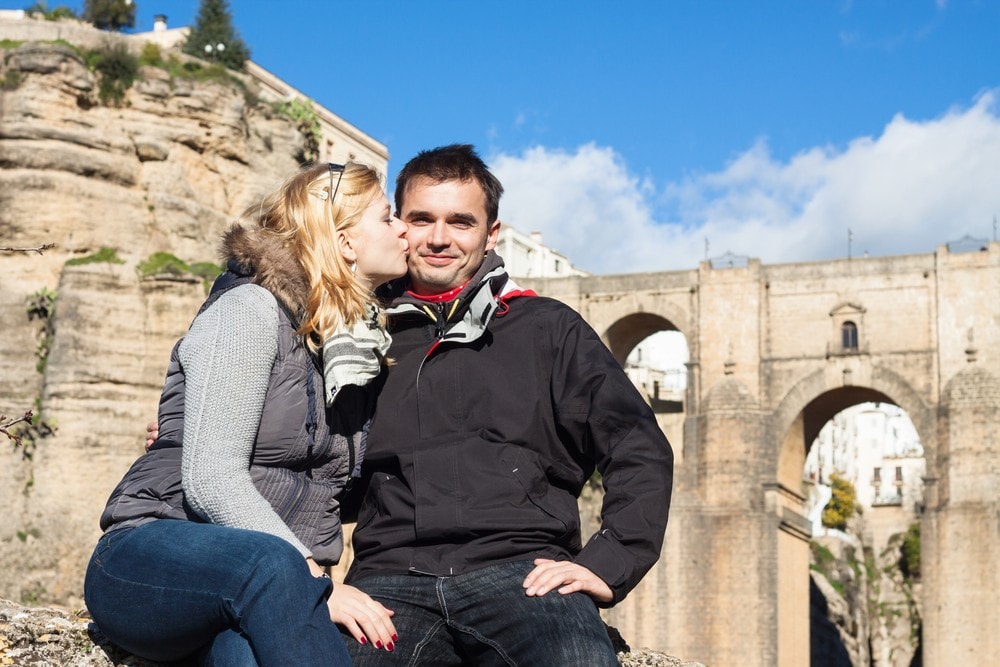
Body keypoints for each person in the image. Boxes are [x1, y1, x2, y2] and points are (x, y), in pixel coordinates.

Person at [343, 144, 674, 665]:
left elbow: (638, 445)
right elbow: (314, 460)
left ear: (491, 234)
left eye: (460, 221)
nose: (438, 238)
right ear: (399, 226)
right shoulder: (357, 335)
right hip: (389, 579)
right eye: (421, 219)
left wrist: (610, 562)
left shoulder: (547, 327)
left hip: (522, 573)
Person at [85, 162, 405, 666]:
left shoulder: (354, 353)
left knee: (246, 655)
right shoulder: (252, 310)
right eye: (388, 218)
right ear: (345, 242)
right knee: (273, 566)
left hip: (261, 594)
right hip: (150, 558)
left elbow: (328, 489)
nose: (403, 229)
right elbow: (212, 480)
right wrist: (317, 581)